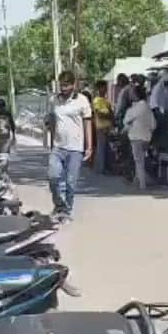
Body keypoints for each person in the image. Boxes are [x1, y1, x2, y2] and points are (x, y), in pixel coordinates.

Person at [46, 70, 93, 222]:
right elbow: (52, 121)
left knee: (70, 183)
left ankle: (66, 210)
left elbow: (87, 123)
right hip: (58, 147)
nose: (63, 88)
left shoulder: (82, 100)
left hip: (75, 149)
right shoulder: (54, 100)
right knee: (53, 177)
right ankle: (58, 205)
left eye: (66, 85)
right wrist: (51, 141)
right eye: (61, 85)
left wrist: (89, 146)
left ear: (74, 85)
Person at [123, 83, 156, 191]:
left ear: (136, 95)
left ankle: (142, 184)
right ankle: (137, 181)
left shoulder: (135, 108)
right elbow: (153, 124)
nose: (130, 95)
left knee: (138, 161)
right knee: (140, 160)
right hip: (146, 137)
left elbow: (126, 121)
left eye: (132, 93)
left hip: (136, 136)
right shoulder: (147, 107)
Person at [92, 80, 114, 174]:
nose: (105, 89)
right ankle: (101, 168)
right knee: (101, 148)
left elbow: (111, 113)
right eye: (104, 87)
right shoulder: (97, 100)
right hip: (101, 127)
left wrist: (110, 117)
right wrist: (109, 116)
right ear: (99, 88)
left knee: (107, 148)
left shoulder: (106, 100)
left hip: (108, 127)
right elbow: (99, 114)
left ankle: (107, 167)